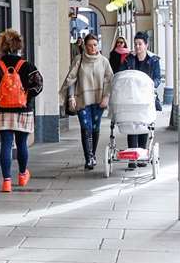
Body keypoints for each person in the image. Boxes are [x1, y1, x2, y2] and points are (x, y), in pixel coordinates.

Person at [0, 27, 43, 193]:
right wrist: (27, 96)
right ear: (19, 46)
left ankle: (6, 182)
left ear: (2, 46)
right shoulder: (27, 66)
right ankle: (21, 175)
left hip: (2, 109)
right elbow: (39, 84)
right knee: (21, 144)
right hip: (23, 110)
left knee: (6, 144)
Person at [62, 31, 112, 169]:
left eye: (95, 45)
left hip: (99, 100)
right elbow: (71, 79)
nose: (92, 48)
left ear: (98, 45)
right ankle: (89, 157)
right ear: (85, 46)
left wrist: (106, 97)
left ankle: (93, 154)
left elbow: (109, 80)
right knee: (86, 127)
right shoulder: (79, 60)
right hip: (82, 99)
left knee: (95, 127)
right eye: (89, 45)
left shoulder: (104, 61)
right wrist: (71, 97)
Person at [123, 31, 162, 166]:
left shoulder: (153, 60)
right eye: (136, 44)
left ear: (146, 45)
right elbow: (122, 73)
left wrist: (152, 85)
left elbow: (157, 78)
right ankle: (132, 157)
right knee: (131, 124)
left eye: (140, 44)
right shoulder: (129, 59)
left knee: (144, 123)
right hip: (132, 96)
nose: (138, 47)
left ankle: (142, 154)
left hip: (146, 96)